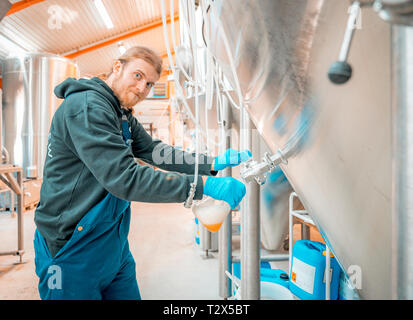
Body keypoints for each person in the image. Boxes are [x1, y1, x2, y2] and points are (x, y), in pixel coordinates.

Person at [33, 46, 251, 300]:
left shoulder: (119, 112)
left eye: (149, 84)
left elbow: (153, 151)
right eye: (138, 76)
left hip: (110, 243)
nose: (142, 89)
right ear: (117, 67)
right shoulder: (87, 107)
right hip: (71, 247)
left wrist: (210, 162)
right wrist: (203, 185)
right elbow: (125, 178)